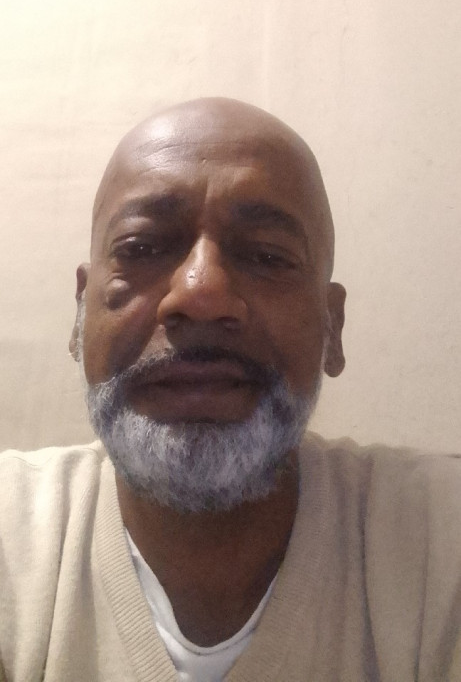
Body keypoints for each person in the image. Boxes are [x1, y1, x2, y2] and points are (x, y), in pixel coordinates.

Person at [1, 98, 461, 682]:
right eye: (141, 248)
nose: (200, 294)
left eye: (267, 255)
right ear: (79, 315)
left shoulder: (440, 540)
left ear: (332, 327)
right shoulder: (13, 534)